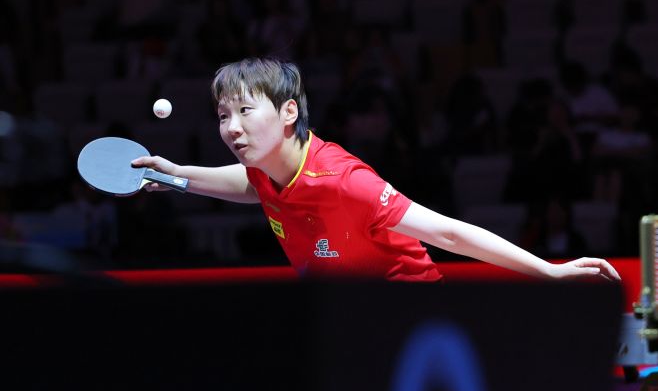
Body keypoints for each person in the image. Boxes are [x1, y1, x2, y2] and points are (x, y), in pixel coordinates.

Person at [132, 58, 619, 282]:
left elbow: (447, 233)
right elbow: (248, 185)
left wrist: (548, 271)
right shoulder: (264, 168)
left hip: (403, 315)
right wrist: (176, 175)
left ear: (288, 113)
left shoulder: (345, 181)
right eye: (223, 116)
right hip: (344, 314)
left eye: (244, 111)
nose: (232, 128)